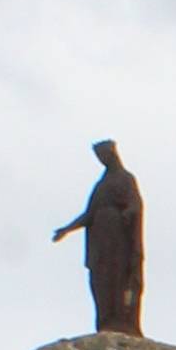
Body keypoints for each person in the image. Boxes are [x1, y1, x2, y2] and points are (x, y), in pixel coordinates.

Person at [52, 140, 144, 333]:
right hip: (100, 241)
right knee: (100, 280)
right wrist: (66, 229)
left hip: (118, 239)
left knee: (118, 277)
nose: (101, 160)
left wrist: (128, 213)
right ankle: (106, 319)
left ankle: (121, 321)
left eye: (103, 155)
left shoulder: (126, 179)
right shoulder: (100, 185)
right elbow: (89, 214)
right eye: (99, 157)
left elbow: (135, 204)